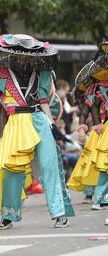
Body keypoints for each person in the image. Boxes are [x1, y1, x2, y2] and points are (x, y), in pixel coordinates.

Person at [0, 34, 70, 229]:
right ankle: (9, 215)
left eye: (26, 54)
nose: (21, 57)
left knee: (49, 166)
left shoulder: (42, 71)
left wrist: (52, 125)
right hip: (16, 122)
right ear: (10, 54)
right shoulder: (3, 72)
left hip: (38, 120)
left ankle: (59, 212)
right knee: (12, 170)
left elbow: (43, 101)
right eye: (17, 54)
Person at [67, 42, 108, 209]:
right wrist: (87, 126)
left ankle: (98, 196)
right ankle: (94, 194)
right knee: (98, 162)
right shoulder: (99, 87)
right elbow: (89, 108)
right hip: (103, 130)